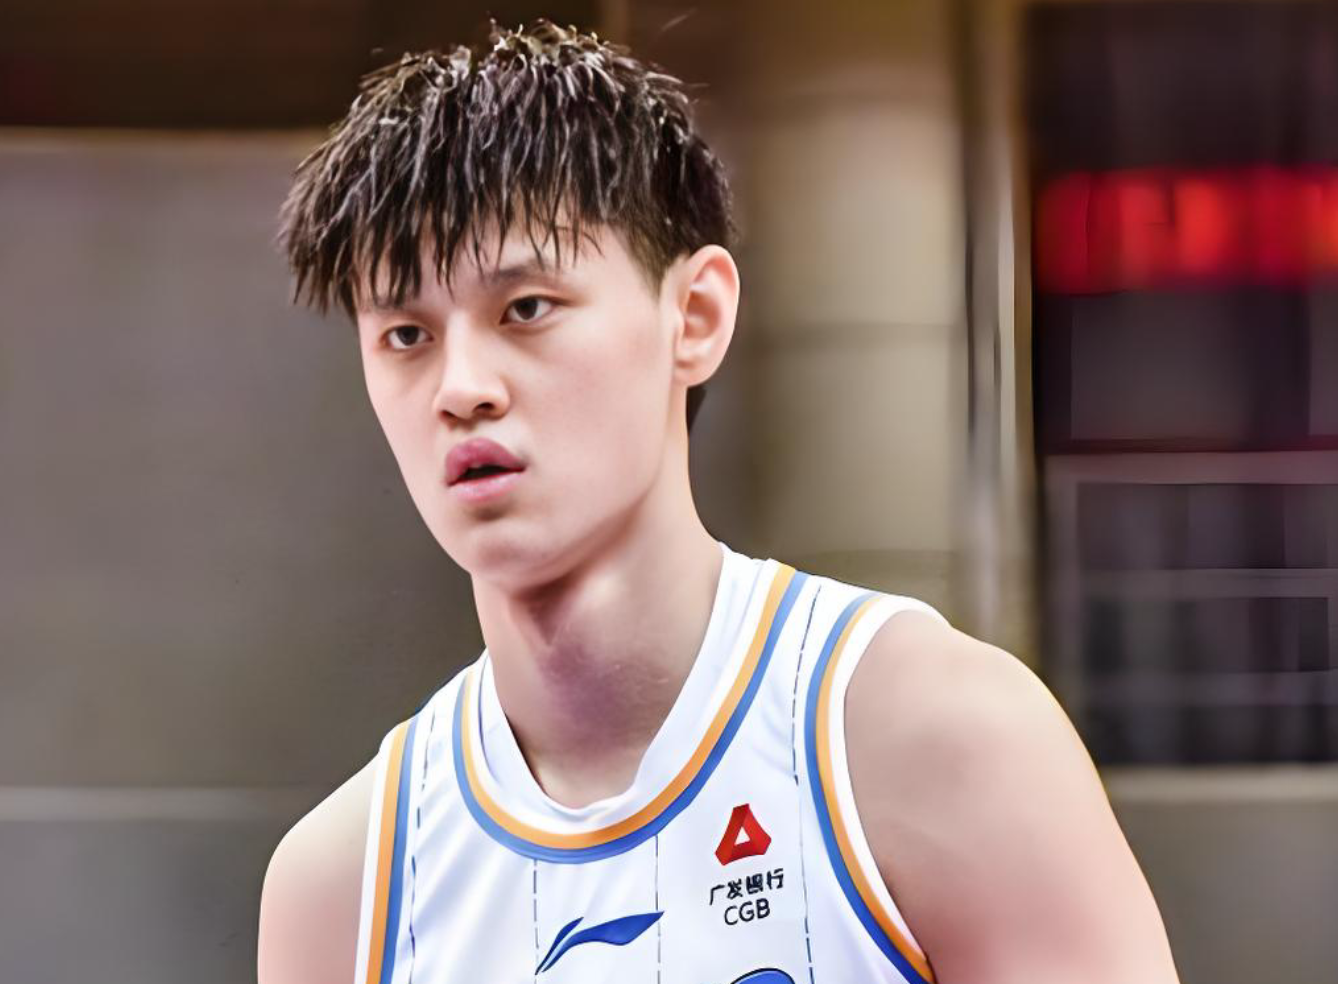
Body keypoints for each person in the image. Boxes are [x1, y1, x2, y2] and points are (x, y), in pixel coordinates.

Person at [258, 20, 1181, 984]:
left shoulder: (943, 740)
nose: (461, 388)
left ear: (694, 316)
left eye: (525, 308)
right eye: (406, 335)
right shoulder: (344, 887)